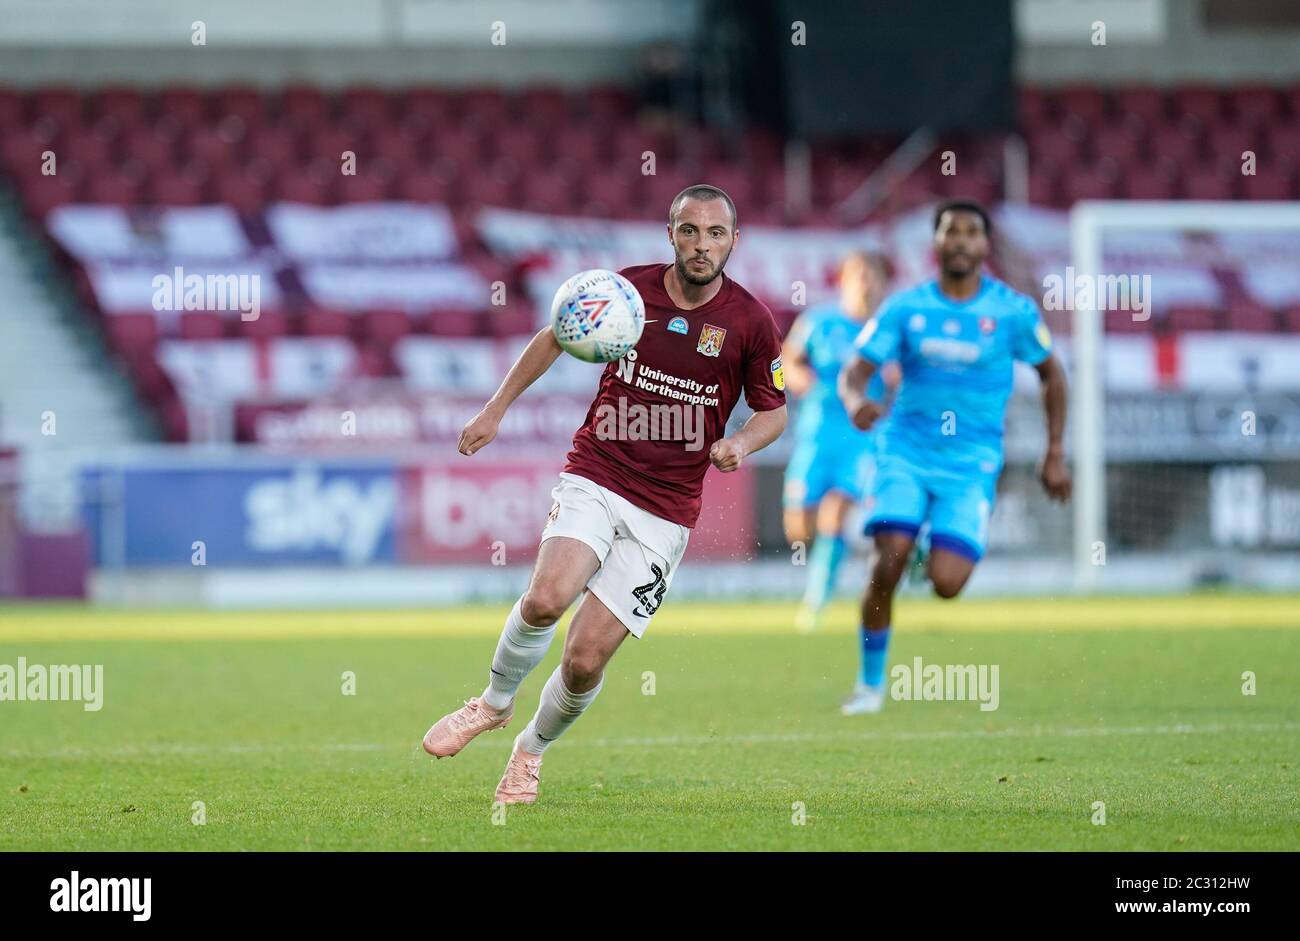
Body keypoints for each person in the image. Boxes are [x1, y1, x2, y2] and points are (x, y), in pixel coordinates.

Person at [422, 184, 788, 804]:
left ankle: (529, 752)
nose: (702, 246)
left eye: (716, 234)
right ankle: (491, 703)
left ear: (734, 241)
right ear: (670, 234)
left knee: (585, 661)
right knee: (545, 600)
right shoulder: (624, 292)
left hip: (667, 510)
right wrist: (495, 410)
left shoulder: (751, 322)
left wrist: (742, 445)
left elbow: (774, 410)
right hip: (599, 470)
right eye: (690, 231)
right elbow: (552, 337)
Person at [836, 200, 1071, 715]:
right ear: (936, 244)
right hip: (905, 450)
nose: (961, 240)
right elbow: (855, 368)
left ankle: (925, 548)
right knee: (888, 558)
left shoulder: (1011, 311)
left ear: (985, 247)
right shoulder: (904, 307)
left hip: (972, 463)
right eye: (951, 231)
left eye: (971, 233)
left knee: (947, 584)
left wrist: (1054, 452)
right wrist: (856, 402)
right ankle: (870, 686)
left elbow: (1053, 374)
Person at [782, 252, 893, 633]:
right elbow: (789, 359)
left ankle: (815, 603)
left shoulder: (887, 329)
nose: (865, 282)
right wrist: (801, 379)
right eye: (858, 274)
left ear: (882, 282)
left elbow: (902, 380)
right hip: (816, 436)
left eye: (872, 275)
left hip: (862, 438)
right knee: (798, 528)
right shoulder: (818, 321)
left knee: (836, 511)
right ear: (843, 279)